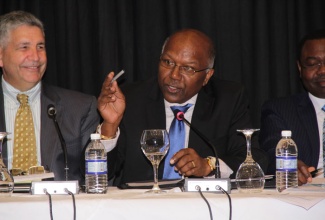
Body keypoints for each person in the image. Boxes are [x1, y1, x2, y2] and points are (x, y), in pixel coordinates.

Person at [98, 29, 268, 185]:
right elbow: (97, 174)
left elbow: (254, 158)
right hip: (143, 207)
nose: (173, 75)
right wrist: (110, 126)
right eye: (168, 62)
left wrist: (209, 165)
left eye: (187, 68)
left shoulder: (228, 99)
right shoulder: (131, 99)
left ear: (207, 76)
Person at [0, 11, 99, 182]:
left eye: (40, 47)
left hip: (59, 207)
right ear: (1, 56)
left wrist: (109, 128)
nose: (36, 57)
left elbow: (98, 175)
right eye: (24, 47)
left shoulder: (80, 108)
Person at [259, 29, 325, 185]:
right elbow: (270, 151)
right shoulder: (280, 110)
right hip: (308, 197)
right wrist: (290, 165)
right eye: (312, 64)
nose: (322, 70)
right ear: (300, 68)